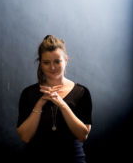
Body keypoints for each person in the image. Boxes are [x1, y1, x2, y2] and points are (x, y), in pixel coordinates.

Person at [17, 35, 92, 163]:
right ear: (40, 63)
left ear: (66, 60)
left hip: (73, 160)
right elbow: (25, 137)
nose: (52, 67)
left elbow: (82, 135)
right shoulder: (28, 93)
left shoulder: (82, 92)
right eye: (46, 62)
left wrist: (62, 104)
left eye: (57, 61)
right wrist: (39, 104)